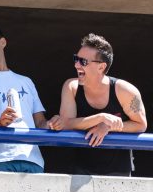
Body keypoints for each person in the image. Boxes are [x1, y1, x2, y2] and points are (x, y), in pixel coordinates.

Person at [0, 23, 61, 173]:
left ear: (3, 42)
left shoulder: (26, 81)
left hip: (32, 159)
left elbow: (39, 122)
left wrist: (54, 123)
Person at [59, 33, 147, 176]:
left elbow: (141, 124)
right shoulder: (71, 86)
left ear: (101, 67)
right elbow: (66, 123)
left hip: (119, 171)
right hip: (80, 169)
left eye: (83, 61)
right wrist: (100, 118)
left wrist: (107, 126)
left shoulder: (127, 90)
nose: (76, 65)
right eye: (76, 59)